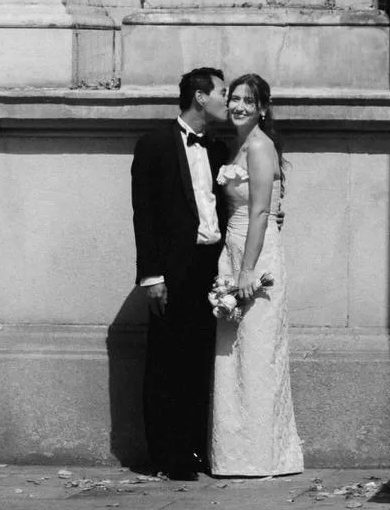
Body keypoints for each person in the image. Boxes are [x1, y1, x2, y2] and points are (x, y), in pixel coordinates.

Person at [131, 66, 229, 478]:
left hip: (209, 269)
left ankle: (193, 449)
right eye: (223, 92)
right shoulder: (154, 144)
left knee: (198, 361)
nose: (228, 99)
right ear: (200, 97)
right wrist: (152, 276)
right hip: (172, 272)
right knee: (166, 363)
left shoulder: (220, 149)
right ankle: (166, 455)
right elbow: (145, 214)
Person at [209, 72, 305, 477]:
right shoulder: (236, 145)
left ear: (263, 108)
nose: (239, 106)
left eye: (249, 101)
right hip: (232, 253)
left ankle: (264, 454)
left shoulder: (260, 146)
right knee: (235, 356)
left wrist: (248, 269)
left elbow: (262, 211)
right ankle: (233, 455)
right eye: (234, 98)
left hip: (255, 257)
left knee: (259, 351)